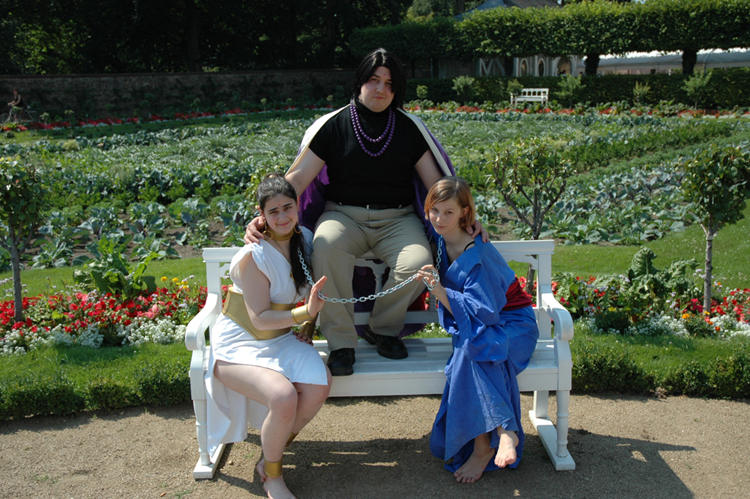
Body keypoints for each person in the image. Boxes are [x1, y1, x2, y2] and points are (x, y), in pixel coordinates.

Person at [246, 48, 485, 376]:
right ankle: (341, 344)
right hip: (343, 216)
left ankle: (382, 328)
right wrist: (264, 215)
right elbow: (297, 180)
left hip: (398, 220)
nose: (381, 89)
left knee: (419, 261)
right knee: (325, 248)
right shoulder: (333, 125)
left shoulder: (409, 128)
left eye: (389, 83)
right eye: (374, 80)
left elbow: (437, 185)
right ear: (360, 82)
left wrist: (468, 217)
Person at [207, 173, 332, 499]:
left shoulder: (304, 239)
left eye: (287, 207)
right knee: (283, 396)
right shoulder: (253, 255)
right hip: (238, 345)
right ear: (260, 214)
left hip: (279, 340)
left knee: (320, 384)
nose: (282, 216)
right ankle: (273, 477)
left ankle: (270, 454)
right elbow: (260, 319)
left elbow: (310, 289)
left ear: (297, 206)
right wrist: (306, 314)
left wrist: (307, 326)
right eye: (273, 211)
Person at [416, 177, 539, 483]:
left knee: (472, 348)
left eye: (448, 212)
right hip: (481, 326)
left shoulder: (475, 253)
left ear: (464, 213)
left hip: (513, 324)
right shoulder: (442, 237)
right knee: (469, 350)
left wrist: (439, 291)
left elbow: (483, 312)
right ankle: (500, 433)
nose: (439, 219)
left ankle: (492, 440)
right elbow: (474, 317)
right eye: (434, 210)